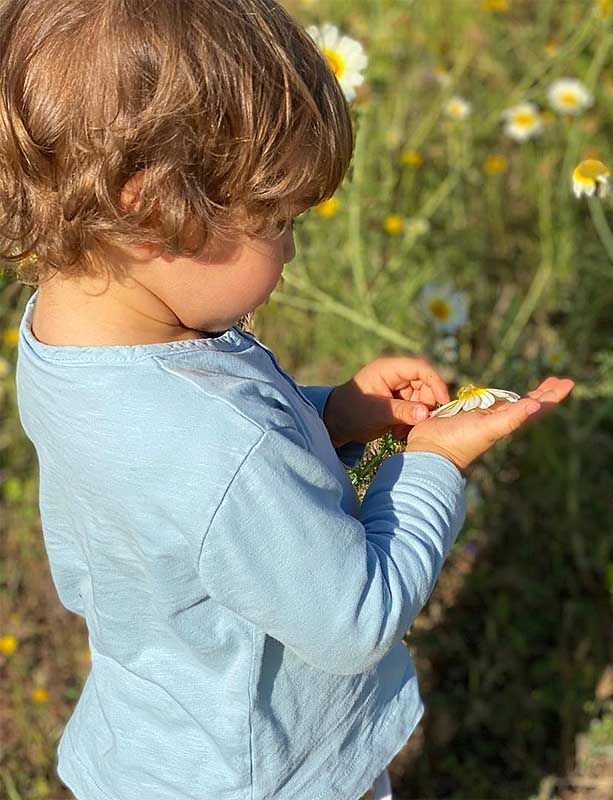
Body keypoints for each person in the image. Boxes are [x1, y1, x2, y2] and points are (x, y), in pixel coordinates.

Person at [2, 1, 575, 798]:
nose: (295, 247)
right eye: (277, 221)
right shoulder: (216, 449)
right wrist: (433, 465)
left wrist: (330, 416)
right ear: (149, 213)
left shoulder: (66, 339)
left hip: (161, 742)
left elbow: (185, 477)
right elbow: (353, 619)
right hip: (269, 774)